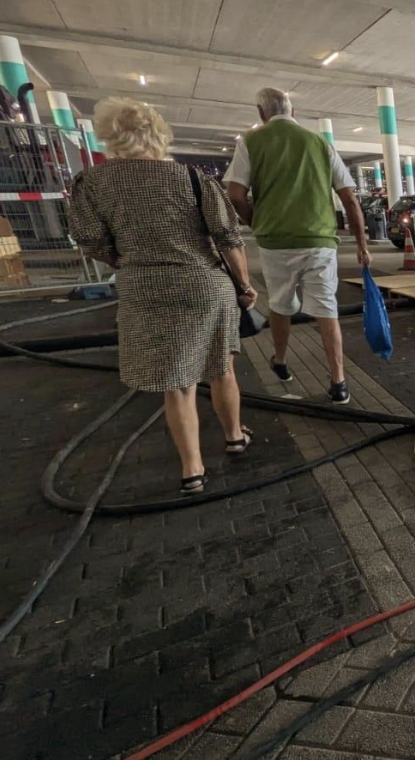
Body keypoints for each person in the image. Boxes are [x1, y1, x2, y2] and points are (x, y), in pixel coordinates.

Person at [69, 98, 256, 495]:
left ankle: (192, 469)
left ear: (108, 136)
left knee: (177, 383)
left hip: (144, 286)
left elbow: (91, 240)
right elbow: (228, 238)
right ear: (159, 133)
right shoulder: (191, 178)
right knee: (221, 367)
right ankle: (235, 436)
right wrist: (244, 285)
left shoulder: (91, 184)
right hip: (204, 284)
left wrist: (127, 260)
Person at [224, 87, 368, 405]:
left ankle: (281, 359)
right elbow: (349, 198)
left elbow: (234, 194)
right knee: (326, 309)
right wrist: (361, 243)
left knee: (281, 304)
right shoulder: (319, 142)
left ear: (261, 113)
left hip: (276, 242)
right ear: (294, 111)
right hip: (319, 241)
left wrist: (255, 222)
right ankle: (339, 382)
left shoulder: (251, 141)